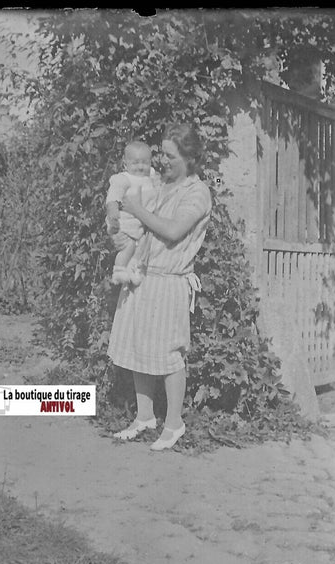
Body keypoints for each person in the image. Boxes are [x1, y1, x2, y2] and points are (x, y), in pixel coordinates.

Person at [107, 122, 212, 450]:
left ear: (189, 157)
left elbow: (173, 230)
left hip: (169, 283)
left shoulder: (197, 192)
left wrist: (137, 209)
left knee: (168, 355)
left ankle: (174, 423)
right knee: (140, 347)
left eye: (169, 156)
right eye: (160, 155)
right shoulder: (156, 182)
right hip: (142, 275)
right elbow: (122, 198)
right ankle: (145, 416)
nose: (162, 161)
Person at [106, 140, 161, 285]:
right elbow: (113, 196)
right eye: (135, 163)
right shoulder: (124, 179)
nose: (140, 167)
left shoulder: (150, 176)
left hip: (139, 225)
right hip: (123, 223)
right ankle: (118, 271)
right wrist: (113, 212)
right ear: (125, 163)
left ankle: (133, 270)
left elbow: (158, 184)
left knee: (142, 246)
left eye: (145, 162)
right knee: (129, 246)